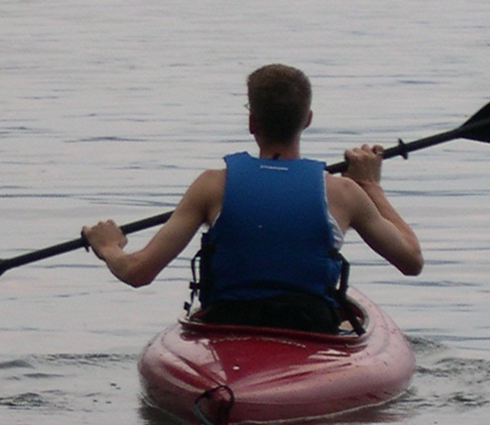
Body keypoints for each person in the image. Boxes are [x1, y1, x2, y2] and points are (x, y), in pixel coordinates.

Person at [83, 63, 423, 331]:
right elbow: (412, 261)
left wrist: (109, 247)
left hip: (226, 325)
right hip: (309, 327)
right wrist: (372, 187)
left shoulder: (211, 186)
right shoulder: (344, 192)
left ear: (251, 122)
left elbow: (138, 272)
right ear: (307, 120)